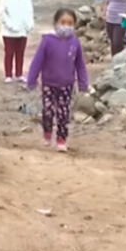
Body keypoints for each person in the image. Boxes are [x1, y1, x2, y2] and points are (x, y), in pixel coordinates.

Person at [26, 8, 89, 152]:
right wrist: (32, 79)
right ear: (56, 23)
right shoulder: (48, 41)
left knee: (63, 113)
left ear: (74, 25)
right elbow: (37, 61)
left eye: (70, 23)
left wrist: (83, 83)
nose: (66, 26)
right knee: (47, 111)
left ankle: (62, 139)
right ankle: (47, 132)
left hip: (66, 85)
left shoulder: (75, 43)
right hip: (48, 83)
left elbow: (80, 65)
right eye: (63, 22)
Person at [0, 0, 34, 83]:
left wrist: (30, 24)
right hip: (9, 31)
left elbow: (29, 11)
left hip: (23, 29)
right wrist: (9, 25)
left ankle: (19, 74)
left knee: (20, 52)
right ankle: (8, 75)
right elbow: (2, 12)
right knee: (9, 52)